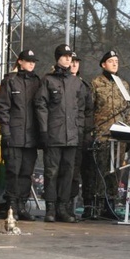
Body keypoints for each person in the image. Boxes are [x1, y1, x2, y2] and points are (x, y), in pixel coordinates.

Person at [34, 44, 86, 223]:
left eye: (69, 56)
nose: (68, 59)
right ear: (57, 58)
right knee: (51, 172)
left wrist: (79, 130)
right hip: (54, 134)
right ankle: (50, 208)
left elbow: (81, 109)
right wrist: (44, 130)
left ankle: (63, 208)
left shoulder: (76, 82)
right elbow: (41, 106)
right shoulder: (48, 80)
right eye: (64, 56)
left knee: (68, 172)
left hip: (71, 136)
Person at [87, 50, 130, 220]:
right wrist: (91, 132)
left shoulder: (123, 85)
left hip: (119, 135)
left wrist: (129, 134)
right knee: (100, 170)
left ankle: (110, 205)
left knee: (115, 172)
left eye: (117, 61)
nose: (115, 64)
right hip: (102, 135)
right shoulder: (96, 83)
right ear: (103, 64)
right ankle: (96, 206)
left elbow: (128, 110)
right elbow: (90, 110)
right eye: (111, 61)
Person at [0, 49, 41, 221]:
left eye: (33, 61)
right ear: (20, 62)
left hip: (31, 136)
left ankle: (22, 205)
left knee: (26, 172)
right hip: (14, 134)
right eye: (28, 61)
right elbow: (3, 107)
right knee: (13, 171)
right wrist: (5, 132)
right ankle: (11, 206)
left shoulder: (37, 81)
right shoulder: (10, 80)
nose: (31, 64)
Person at [69, 52, 94, 219]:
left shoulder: (84, 85)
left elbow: (89, 112)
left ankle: (70, 206)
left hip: (78, 134)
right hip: (61, 133)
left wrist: (87, 134)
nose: (74, 64)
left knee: (75, 173)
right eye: (71, 61)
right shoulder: (54, 80)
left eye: (77, 62)